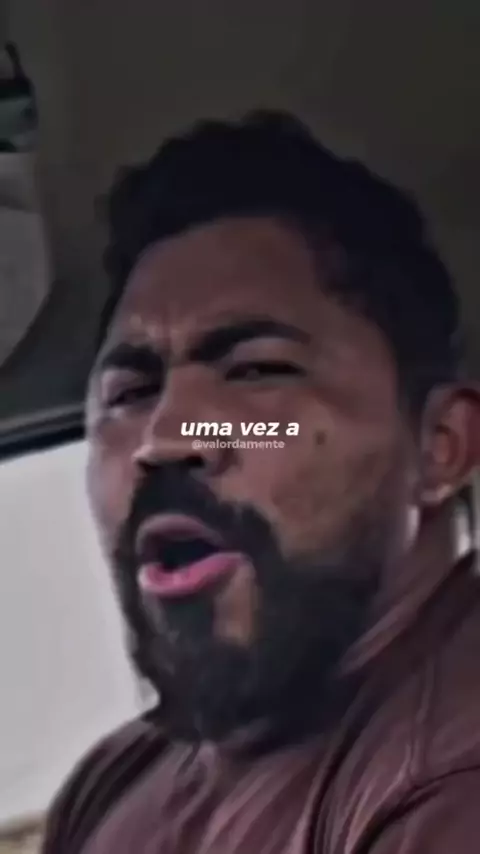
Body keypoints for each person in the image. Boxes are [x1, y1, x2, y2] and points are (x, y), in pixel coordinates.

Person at [41, 111, 480, 853]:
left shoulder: (453, 772)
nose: (166, 439)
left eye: (255, 371)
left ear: (441, 446)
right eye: (130, 393)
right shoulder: (115, 781)